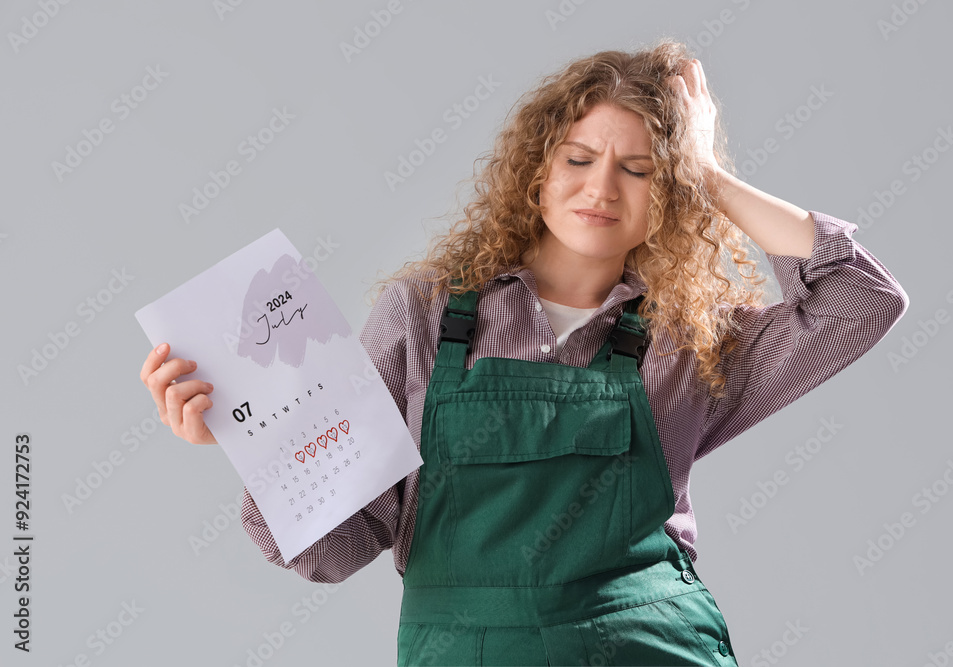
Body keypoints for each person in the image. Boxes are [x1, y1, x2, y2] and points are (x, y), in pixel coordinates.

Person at [140, 38, 908, 666]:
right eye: (578, 158)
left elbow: (860, 301)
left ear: (669, 193)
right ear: (536, 173)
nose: (601, 185)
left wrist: (706, 173)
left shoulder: (690, 335)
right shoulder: (427, 313)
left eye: (639, 168)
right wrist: (251, 438)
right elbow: (340, 546)